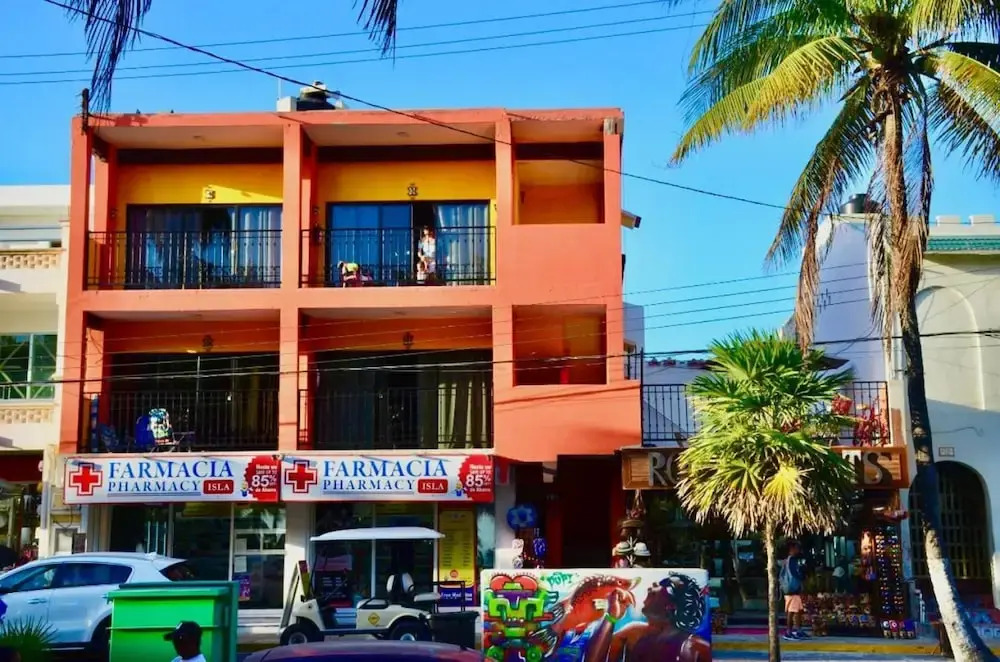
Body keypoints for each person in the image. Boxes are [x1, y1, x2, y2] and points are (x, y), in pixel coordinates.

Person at [584, 574, 711, 662]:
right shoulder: (634, 633)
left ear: (671, 606)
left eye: (664, 584)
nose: (654, 583)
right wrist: (611, 616)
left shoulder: (696, 648)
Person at [780, 540, 807, 640]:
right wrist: (802, 577)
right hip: (792, 590)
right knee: (792, 612)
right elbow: (795, 573)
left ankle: (798, 630)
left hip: (792, 590)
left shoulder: (789, 560)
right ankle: (789, 632)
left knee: (797, 611)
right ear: (792, 549)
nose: (798, 550)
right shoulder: (791, 560)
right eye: (797, 548)